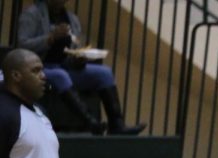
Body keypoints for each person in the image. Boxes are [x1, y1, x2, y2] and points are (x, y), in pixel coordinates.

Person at [17, 0, 145, 134]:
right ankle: (91, 122)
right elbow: (23, 45)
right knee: (60, 76)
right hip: (41, 68)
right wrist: (50, 38)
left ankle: (117, 125)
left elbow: (74, 47)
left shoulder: (72, 19)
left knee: (104, 73)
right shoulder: (31, 15)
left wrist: (78, 57)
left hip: (65, 66)